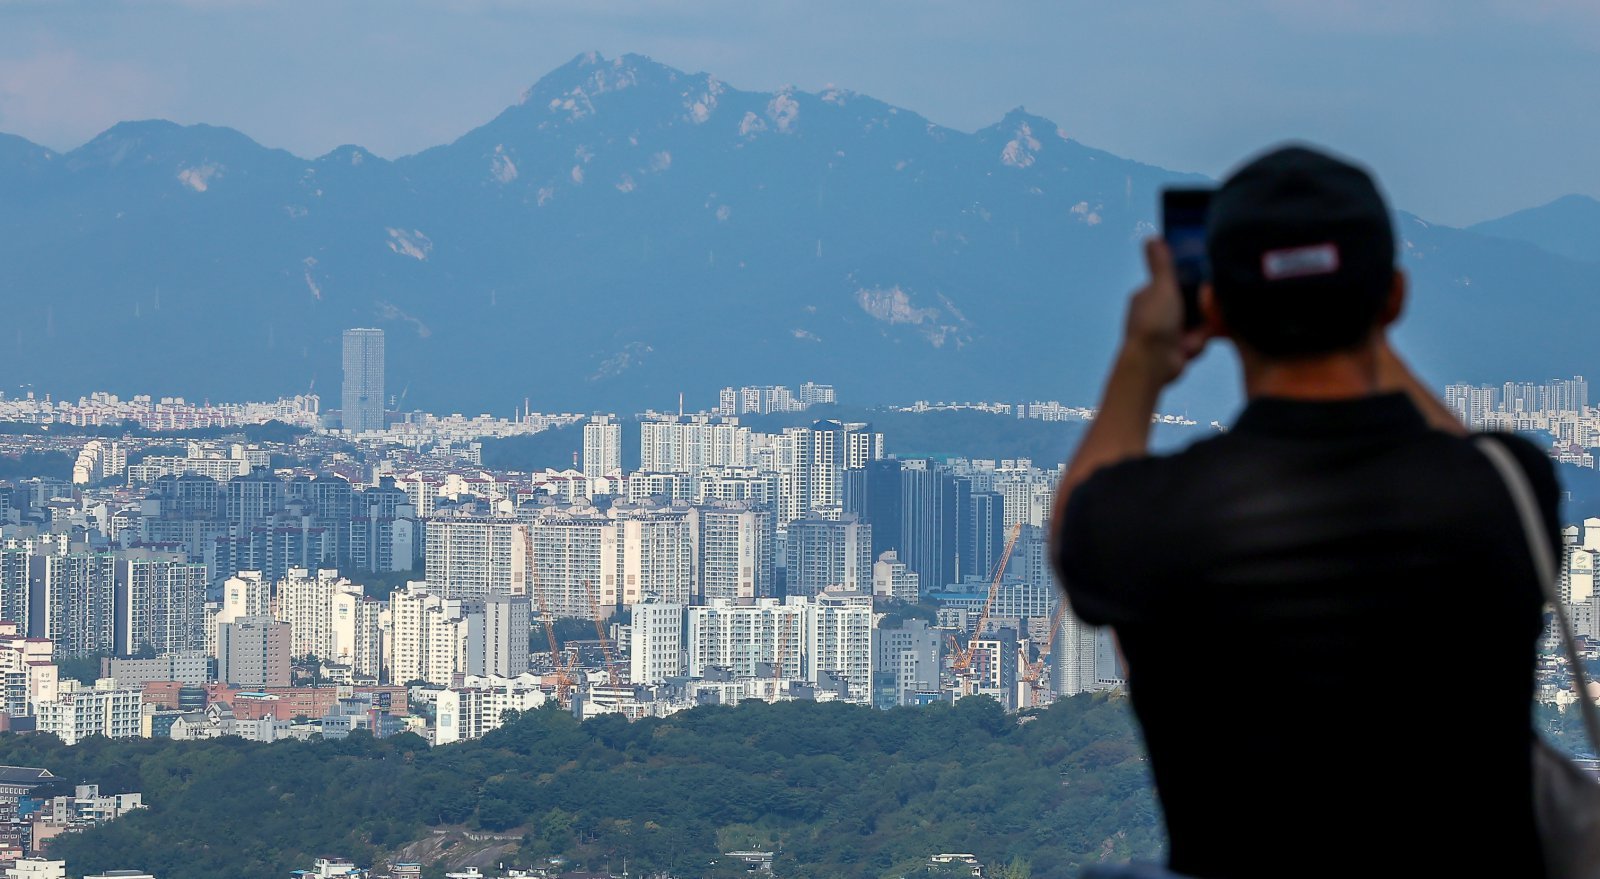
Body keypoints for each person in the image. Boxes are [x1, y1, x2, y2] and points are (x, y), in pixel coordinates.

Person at [1050, 146, 1555, 879]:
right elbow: (1473, 460)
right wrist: (1363, 324)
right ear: (1393, 299)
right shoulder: (1506, 489)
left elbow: (1076, 532)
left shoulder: (1151, 518)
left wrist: (1141, 357)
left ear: (1216, 310)